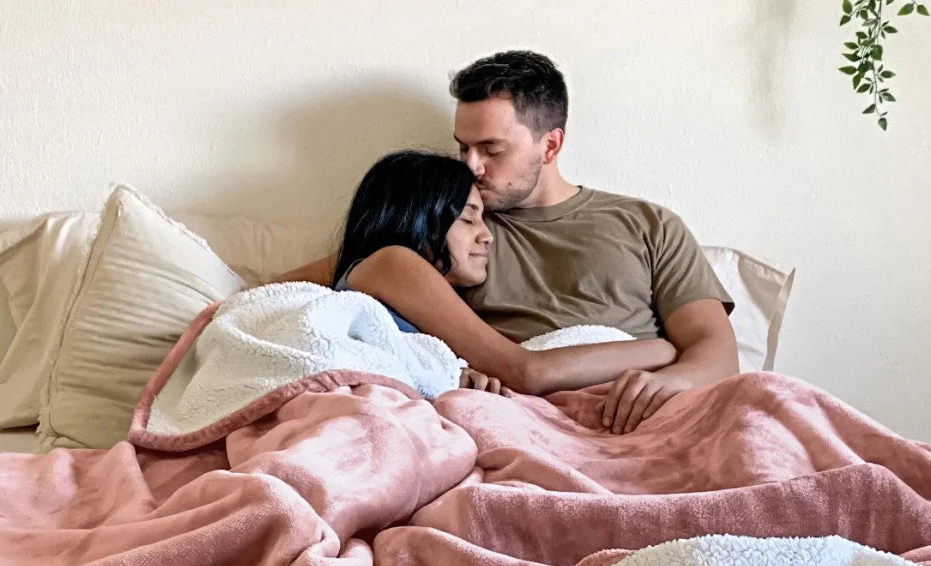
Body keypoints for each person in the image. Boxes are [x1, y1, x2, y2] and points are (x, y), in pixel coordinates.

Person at [281, 50, 738, 433]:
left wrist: (675, 377)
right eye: (463, 148)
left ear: (550, 146)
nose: (473, 166)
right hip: (518, 415)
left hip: (636, 408)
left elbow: (715, 350)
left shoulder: (648, 224)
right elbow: (296, 291)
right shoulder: (444, 228)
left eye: (492, 150)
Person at [327, 149, 677, 395]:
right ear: (419, 220)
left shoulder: (384, 274)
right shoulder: (394, 262)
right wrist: (662, 351)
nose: (487, 234)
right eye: (468, 218)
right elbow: (526, 372)